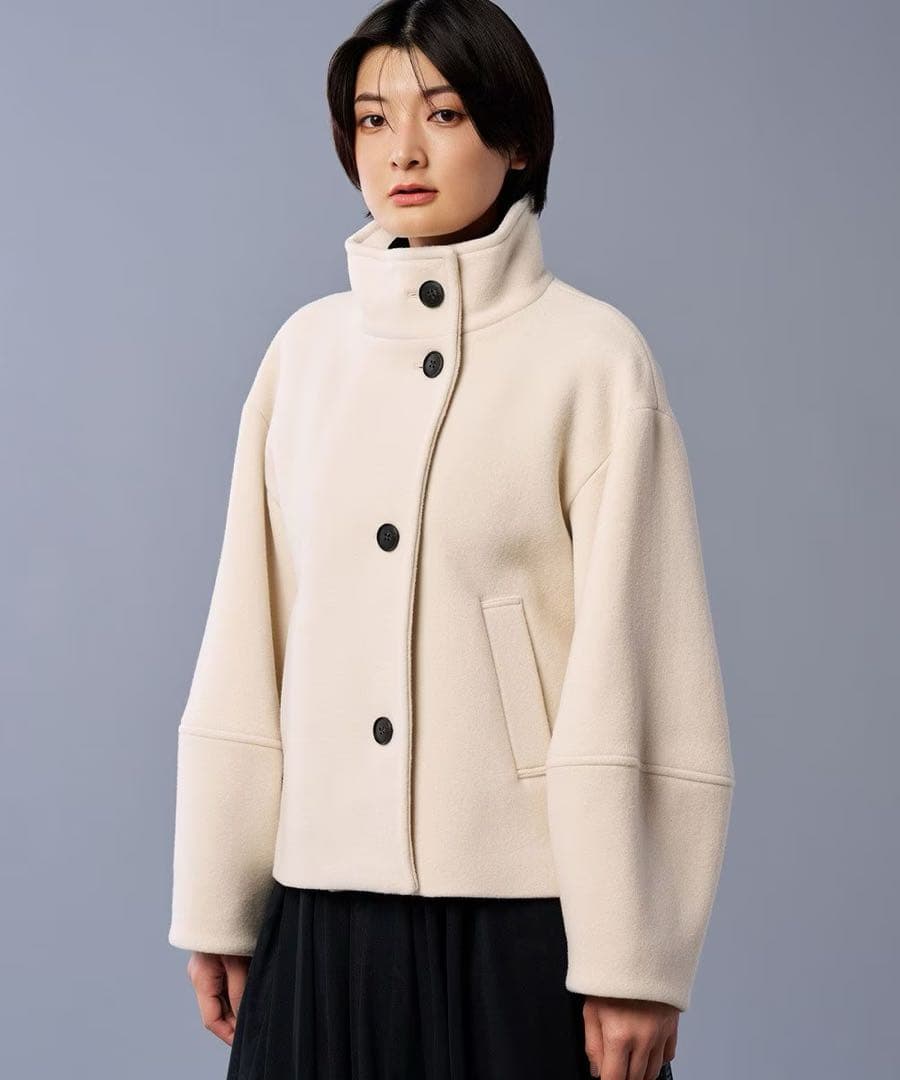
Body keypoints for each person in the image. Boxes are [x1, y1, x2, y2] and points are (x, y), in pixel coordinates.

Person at [167, 2, 735, 1078]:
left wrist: (636, 956)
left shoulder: (593, 361)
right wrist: (219, 899)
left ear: (516, 139)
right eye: (372, 120)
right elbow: (248, 636)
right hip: (317, 913)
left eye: (444, 113)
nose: (403, 152)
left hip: (525, 923)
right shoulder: (304, 358)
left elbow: (646, 667)